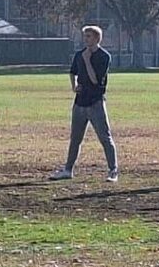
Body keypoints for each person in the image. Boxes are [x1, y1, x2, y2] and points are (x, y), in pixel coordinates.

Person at [49, 25, 119, 182]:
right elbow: (73, 72)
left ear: (96, 38)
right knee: (75, 138)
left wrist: (87, 61)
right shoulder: (79, 55)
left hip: (96, 103)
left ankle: (113, 171)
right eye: (85, 36)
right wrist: (74, 86)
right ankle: (68, 169)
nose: (85, 39)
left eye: (89, 36)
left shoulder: (104, 57)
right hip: (79, 103)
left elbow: (95, 80)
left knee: (105, 137)